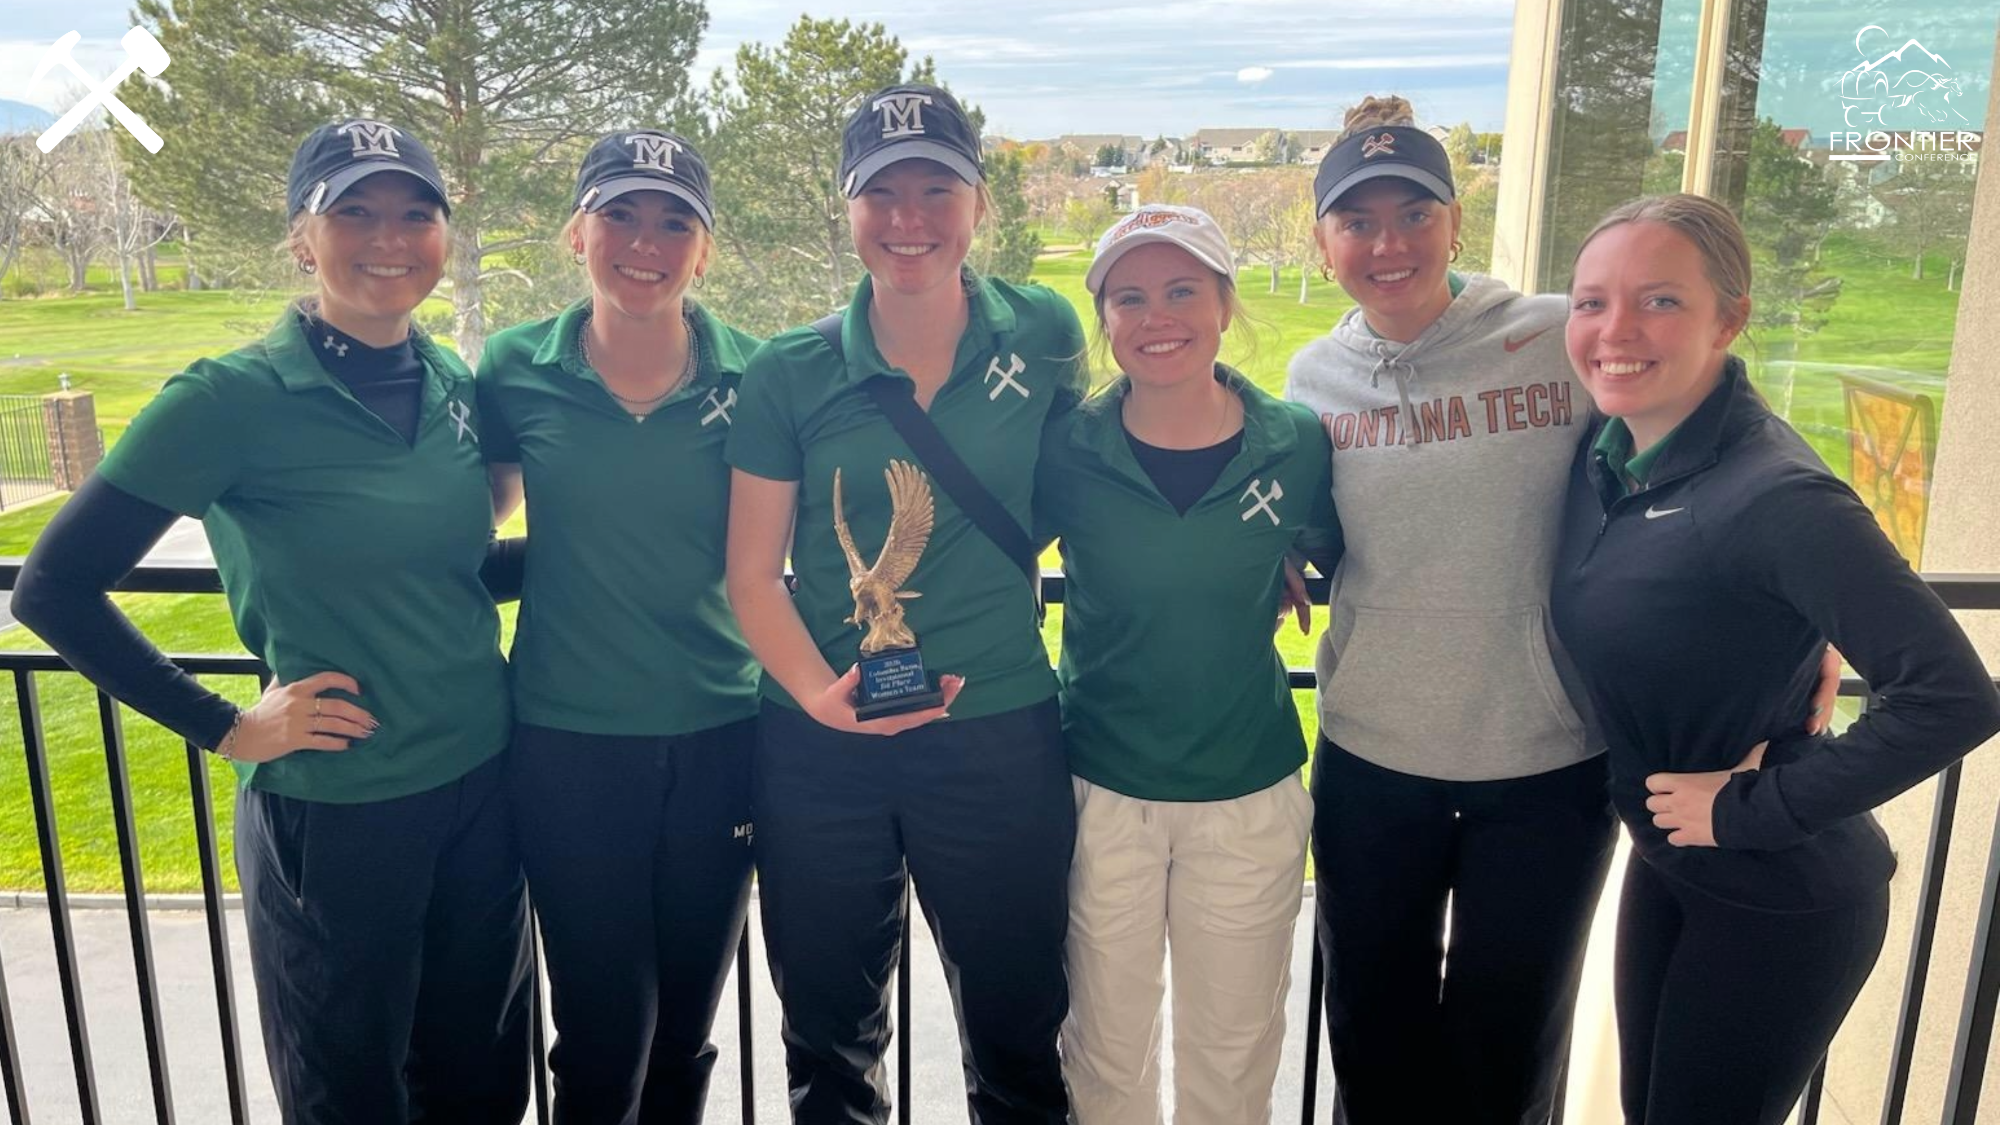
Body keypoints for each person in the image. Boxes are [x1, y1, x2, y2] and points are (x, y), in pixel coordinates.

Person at [10, 119, 530, 1124]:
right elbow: (52, 587)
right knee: (349, 1097)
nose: (391, 234)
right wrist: (222, 725)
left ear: (443, 237)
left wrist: (632, 554)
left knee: (479, 1084)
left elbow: (452, 569)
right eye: (355, 211)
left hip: (483, 788)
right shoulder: (226, 400)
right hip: (337, 810)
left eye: (416, 212)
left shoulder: (459, 388)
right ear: (301, 238)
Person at [1550, 193, 2000, 1125]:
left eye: (1661, 301)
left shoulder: (1774, 493)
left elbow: (1953, 697)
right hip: (1673, 860)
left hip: (1779, 893)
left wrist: (1755, 805)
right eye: (1591, 301)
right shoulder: (1606, 455)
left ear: (1732, 316)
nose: (1615, 330)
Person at [723, 83, 1084, 1123]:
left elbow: (1090, 476)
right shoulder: (788, 371)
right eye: (881, 192)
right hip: (820, 741)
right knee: (828, 1039)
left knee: (1018, 1030)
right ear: (846, 208)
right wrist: (818, 696)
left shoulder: (1045, 331)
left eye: (936, 187)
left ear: (979, 202)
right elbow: (752, 572)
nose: (908, 218)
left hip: (997, 732)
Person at [1282, 95, 1617, 1124]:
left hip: (1547, 764)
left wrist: (1799, 620)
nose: (1388, 243)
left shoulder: (1558, 336)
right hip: (1372, 760)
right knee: (1372, 1046)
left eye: (1413, 213)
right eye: (1357, 221)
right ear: (1322, 239)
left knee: (1505, 1057)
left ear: (1455, 221)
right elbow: (1297, 522)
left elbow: (1710, 414)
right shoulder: (1309, 380)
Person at [476, 130, 761, 1124]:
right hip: (568, 745)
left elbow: (799, 540)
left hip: (722, 736)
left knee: (683, 1034)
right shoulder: (516, 366)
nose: (646, 241)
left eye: (674, 220)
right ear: (577, 233)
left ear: (705, 247)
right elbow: (463, 534)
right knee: (601, 1035)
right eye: (620, 214)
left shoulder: (754, 377)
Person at [1036, 204, 1338, 1124]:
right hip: (1101, 790)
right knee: (1103, 1048)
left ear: (1223, 303)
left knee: (1235, 1047)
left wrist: (1279, 553)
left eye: (1181, 291)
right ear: (1104, 319)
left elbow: (1350, 550)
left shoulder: (1296, 441)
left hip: (1246, 791)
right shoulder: (1067, 448)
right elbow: (982, 557)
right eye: (1129, 297)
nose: (1156, 315)